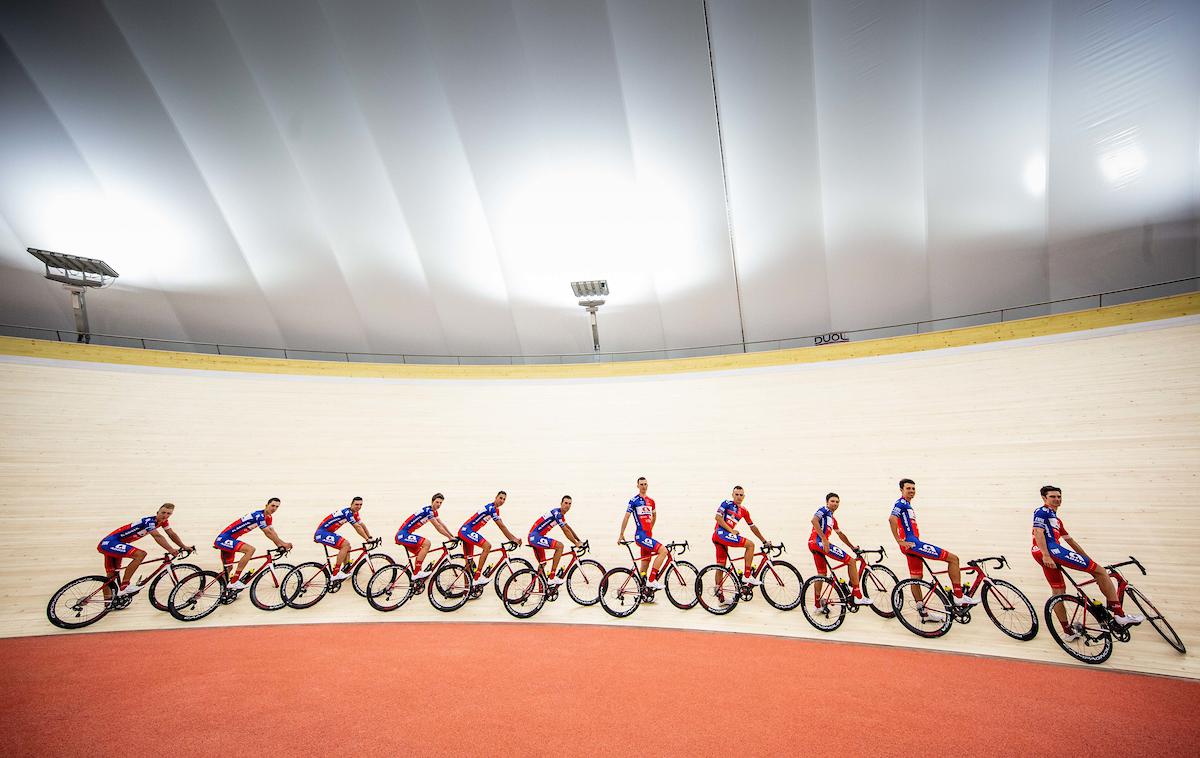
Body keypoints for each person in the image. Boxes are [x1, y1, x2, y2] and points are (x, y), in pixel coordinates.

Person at [1032, 485, 1143, 632]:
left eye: (1059, 496)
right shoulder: (1042, 511)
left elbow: (1071, 542)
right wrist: (1046, 554)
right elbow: (1039, 532)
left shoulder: (1057, 521)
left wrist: (1088, 559)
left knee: (1058, 592)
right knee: (1101, 572)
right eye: (1053, 497)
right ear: (1044, 498)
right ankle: (1119, 615)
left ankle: (1068, 631)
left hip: (1041, 552)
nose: (1057, 499)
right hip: (1051, 551)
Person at [888, 478, 979, 610]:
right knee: (953, 559)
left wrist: (902, 542)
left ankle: (922, 611)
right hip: (913, 545)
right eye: (908, 488)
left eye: (913, 488)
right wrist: (899, 540)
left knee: (916, 577)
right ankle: (959, 596)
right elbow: (892, 519)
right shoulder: (901, 503)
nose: (911, 491)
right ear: (901, 490)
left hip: (909, 546)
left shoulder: (907, 504)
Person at [97, 502, 193, 598]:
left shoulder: (163, 522)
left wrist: (184, 546)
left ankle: (108, 604)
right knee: (140, 554)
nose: (165, 515)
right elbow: (157, 536)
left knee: (111, 577)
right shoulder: (149, 521)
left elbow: (171, 534)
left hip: (113, 543)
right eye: (163, 512)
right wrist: (171, 549)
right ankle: (125, 586)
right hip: (111, 542)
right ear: (157, 512)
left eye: (169, 514)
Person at [214, 497, 293, 591]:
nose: (274, 508)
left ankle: (224, 593)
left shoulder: (268, 517)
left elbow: (272, 532)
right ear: (266, 505)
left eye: (277, 507)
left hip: (229, 539)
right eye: (272, 505)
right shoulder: (259, 516)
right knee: (250, 550)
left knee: (228, 568)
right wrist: (282, 544)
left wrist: (280, 544)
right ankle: (234, 581)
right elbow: (267, 532)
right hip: (224, 539)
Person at [809, 493, 871, 605]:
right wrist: (824, 539)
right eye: (832, 501)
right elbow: (814, 520)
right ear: (827, 502)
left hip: (813, 544)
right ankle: (857, 595)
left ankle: (817, 605)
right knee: (851, 562)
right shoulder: (824, 510)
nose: (835, 503)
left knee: (821, 574)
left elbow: (840, 534)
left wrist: (852, 547)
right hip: (819, 543)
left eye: (837, 502)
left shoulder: (832, 520)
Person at [458, 491, 523, 587]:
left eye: (504, 499)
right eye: (500, 498)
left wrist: (512, 538)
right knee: (487, 546)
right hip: (466, 531)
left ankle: (466, 591)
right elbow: (501, 526)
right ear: (496, 497)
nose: (502, 501)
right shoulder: (491, 508)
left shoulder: (495, 510)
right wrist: (513, 539)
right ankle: (477, 577)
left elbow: (501, 527)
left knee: (469, 563)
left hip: (467, 531)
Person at [618, 476, 669, 590]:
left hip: (647, 536)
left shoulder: (651, 501)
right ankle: (652, 580)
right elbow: (626, 517)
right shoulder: (634, 500)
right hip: (641, 536)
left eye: (645, 484)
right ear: (637, 486)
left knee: (645, 565)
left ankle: (644, 592)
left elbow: (654, 515)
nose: (643, 486)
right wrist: (621, 534)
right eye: (641, 484)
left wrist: (650, 528)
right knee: (663, 551)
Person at [712, 486, 767, 586]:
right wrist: (731, 530)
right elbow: (718, 517)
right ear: (732, 495)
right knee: (750, 545)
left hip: (722, 537)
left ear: (744, 497)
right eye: (736, 494)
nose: (739, 497)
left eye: (741, 495)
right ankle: (747, 575)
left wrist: (764, 541)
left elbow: (752, 526)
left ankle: (720, 595)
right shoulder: (727, 503)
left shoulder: (744, 511)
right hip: (721, 534)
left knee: (721, 566)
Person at [396, 493, 457, 580]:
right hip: (403, 535)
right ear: (432, 501)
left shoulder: (433, 511)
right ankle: (416, 573)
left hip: (405, 534)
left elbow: (442, 524)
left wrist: (452, 535)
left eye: (441, 503)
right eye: (437, 502)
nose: (439, 505)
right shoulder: (428, 512)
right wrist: (449, 538)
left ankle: (417, 578)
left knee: (420, 553)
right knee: (427, 543)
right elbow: (438, 527)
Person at [314, 496, 373, 584]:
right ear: (351, 504)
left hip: (327, 532)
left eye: (361, 505)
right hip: (322, 533)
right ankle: (335, 573)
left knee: (347, 547)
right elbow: (357, 527)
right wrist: (367, 539)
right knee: (345, 544)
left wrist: (370, 536)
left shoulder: (355, 513)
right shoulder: (347, 512)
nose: (359, 506)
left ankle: (346, 570)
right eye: (356, 504)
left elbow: (361, 525)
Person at [528, 495, 583, 585]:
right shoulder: (557, 514)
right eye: (565, 503)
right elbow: (565, 530)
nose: (567, 505)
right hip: (535, 537)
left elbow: (568, 528)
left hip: (535, 537)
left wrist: (579, 540)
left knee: (543, 563)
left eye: (569, 504)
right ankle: (552, 577)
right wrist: (576, 543)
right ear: (561, 503)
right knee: (560, 546)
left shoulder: (560, 515)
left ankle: (542, 590)